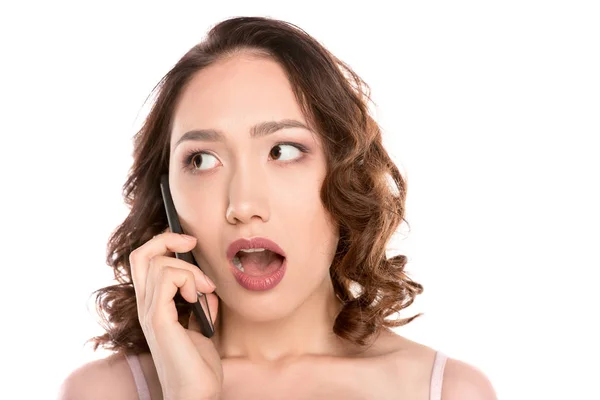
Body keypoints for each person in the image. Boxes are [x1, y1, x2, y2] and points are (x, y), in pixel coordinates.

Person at [58, 16, 496, 400]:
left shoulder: (446, 391)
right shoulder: (100, 393)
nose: (244, 205)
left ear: (344, 172)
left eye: (283, 151)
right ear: (167, 197)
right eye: (202, 160)